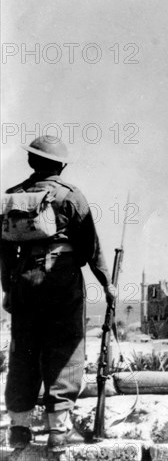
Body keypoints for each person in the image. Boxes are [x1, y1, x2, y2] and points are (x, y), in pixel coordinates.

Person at [0, 136, 116, 460]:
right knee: (65, 350)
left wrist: (9, 289)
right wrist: (107, 283)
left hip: (24, 281)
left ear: (31, 162)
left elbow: (5, 252)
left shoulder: (13, 196)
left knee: (22, 353)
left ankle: (19, 429)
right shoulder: (71, 196)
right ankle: (58, 431)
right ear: (61, 165)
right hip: (62, 280)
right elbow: (91, 246)